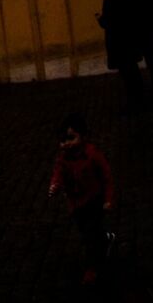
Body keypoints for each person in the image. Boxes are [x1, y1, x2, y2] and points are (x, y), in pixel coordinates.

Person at [49, 113, 116, 285]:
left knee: (89, 235)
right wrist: (55, 185)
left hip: (94, 200)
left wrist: (108, 199)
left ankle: (92, 267)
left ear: (83, 136)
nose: (66, 144)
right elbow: (58, 172)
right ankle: (106, 239)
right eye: (63, 140)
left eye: (71, 138)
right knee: (88, 231)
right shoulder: (64, 159)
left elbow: (107, 177)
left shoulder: (92, 155)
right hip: (77, 204)